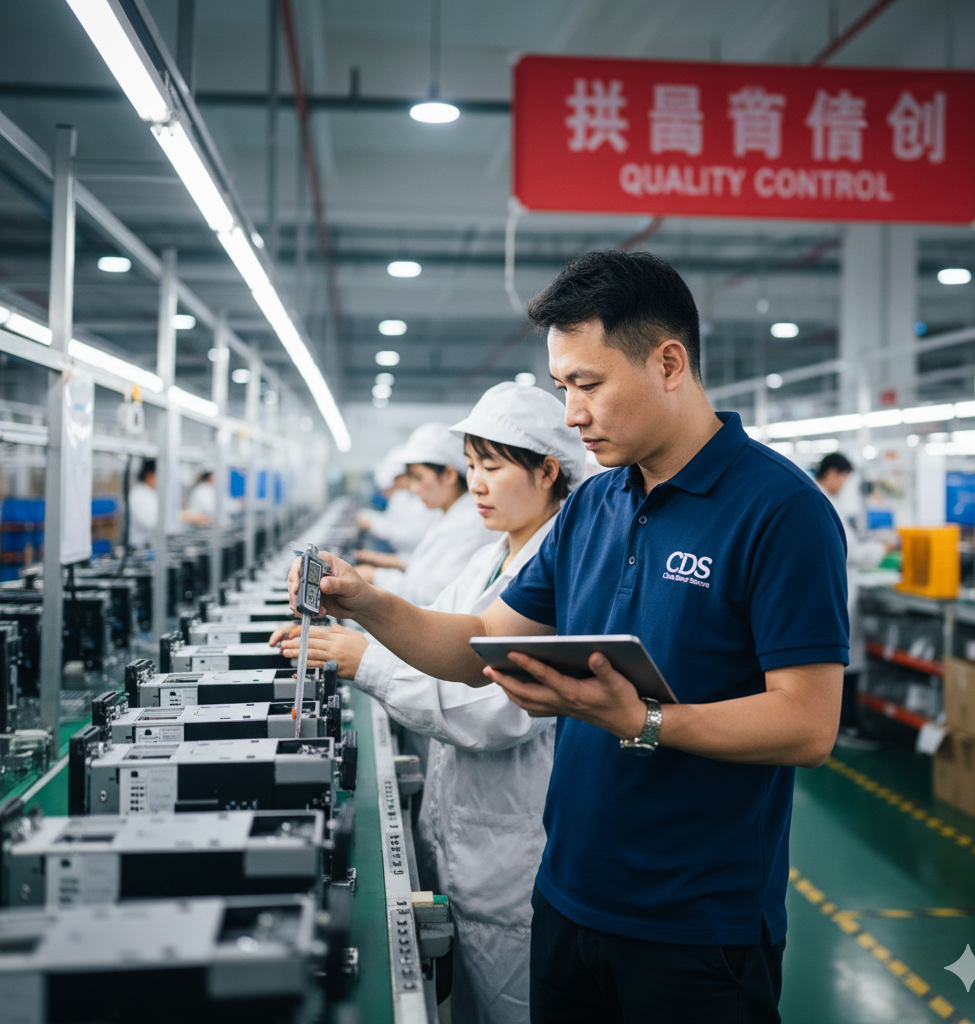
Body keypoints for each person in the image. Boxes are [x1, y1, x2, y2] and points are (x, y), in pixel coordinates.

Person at [292, 250, 849, 1024]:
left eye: (587, 384)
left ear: (669, 363)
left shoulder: (780, 510)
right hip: (564, 896)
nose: (574, 412)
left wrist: (644, 721)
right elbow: (479, 641)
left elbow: (809, 722)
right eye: (563, 388)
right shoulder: (593, 506)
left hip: (696, 924)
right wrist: (366, 603)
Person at [273, 382, 586, 1024]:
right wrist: (360, 607)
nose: (476, 484)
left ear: (548, 471)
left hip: (511, 859)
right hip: (468, 839)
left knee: (513, 1008)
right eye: (470, 465)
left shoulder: (560, 569)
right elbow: (432, 635)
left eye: (492, 466)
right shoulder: (494, 557)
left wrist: (364, 662)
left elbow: (500, 710)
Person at [354, 422, 490, 607]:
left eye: (418, 478)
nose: (413, 488)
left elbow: (438, 594)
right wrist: (387, 562)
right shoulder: (445, 513)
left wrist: (376, 576)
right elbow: (428, 566)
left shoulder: (472, 524)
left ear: (449, 474)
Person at [815, 452, 887, 744]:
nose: (844, 485)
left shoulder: (815, 499)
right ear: (833, 473)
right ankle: (846, 726)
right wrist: (884, 546)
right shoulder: (824, 502)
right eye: (844, 478)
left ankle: (837, 724)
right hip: (838, 597)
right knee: (846, 662)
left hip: (827, 595)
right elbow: (852, 552)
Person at [356, 445, 439, 556]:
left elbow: (413, 537)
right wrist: (371, 518)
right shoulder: (402, 495)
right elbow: (392, 522)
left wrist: (374, 524)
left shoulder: (428, 499)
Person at [127, 458, 158, 548]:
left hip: (150, 544)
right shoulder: (138, 495)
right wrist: (178, 517)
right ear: (150, 475)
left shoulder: (152, 492)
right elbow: (150, 523)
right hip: (139, 546)